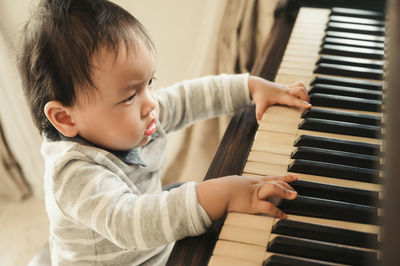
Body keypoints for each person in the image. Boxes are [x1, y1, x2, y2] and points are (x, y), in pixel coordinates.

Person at [17, 0, 311, 265]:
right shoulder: (72, 175)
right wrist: (221, 193)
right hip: (124, 254)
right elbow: (132, 223)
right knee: (200, 200)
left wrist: (250, 87)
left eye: (150, 83)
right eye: (130, 96)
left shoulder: (136, 115)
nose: (150, 104)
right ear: (65, 118)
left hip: (145, 235)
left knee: (186, 193)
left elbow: (187, 97)